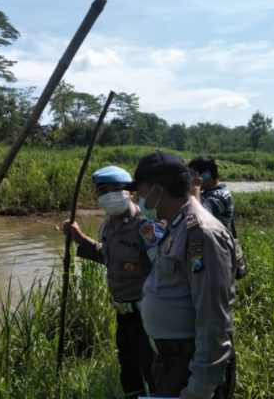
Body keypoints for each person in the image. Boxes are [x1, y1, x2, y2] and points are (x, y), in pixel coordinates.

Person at [125, 151, 236, 399]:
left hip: (191, 366)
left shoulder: (201, 234)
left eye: (140, 191)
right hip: (173, 361)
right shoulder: (176, 225)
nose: (138, 198)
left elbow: (213, 318)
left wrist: (200, 387)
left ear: (158, 190)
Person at [62, 165, 161, 398]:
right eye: (102, 190)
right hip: (123, 315)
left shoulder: (146, 227)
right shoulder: (108, 226)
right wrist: (80, 239)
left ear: (130, 192)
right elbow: (109, 257)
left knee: (154, 372)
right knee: (128, 372)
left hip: (147, 316)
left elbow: (164, 270)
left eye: (114, 189)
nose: (107, 194)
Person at [188, 155, 234, 230]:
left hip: (215, 240)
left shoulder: (220, 196)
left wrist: (195, 188)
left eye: (192, 174)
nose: (190, 178)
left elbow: (199, 218)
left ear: (206, 175)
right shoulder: (207, 193)